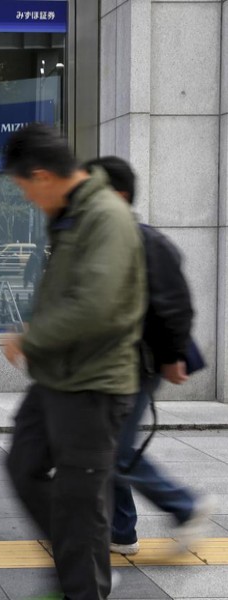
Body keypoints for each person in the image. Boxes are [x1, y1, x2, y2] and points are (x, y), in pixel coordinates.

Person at [1, 124, 145, 600]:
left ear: (42, 176)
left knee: (79, 505)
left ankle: (81, 575)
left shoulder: (105, 216)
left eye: (23, 188)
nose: (26, 199)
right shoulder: (69, 216)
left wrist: (32, 338)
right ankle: (78, 560)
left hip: (93, 386)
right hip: (55, 381)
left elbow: (95, 306)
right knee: (24, 467)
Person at [84, 156, 214, 556]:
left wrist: (174, 355)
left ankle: (185, 506)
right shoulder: (107, 239)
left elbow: (175, 302)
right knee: (106, 447)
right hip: (112, 362)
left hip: (138, 364)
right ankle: (121, 531)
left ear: (119, 195)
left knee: (116, 451)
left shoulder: (144, 240)